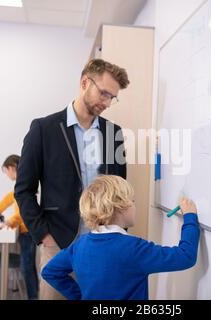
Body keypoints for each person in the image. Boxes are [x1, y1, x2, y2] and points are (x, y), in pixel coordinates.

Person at [14, 59, 130, 300]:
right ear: (85, 82)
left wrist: (119, 233)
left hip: (103, 242)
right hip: (58, 243)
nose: (107, 103)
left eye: (112, 97)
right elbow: (24, 190)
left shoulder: (113, 133)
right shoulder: (43, 129)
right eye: (104, 94)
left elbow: (121, 191)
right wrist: (43, 235)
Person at [41, 175, 200, 300]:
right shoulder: (134, 249)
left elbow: (50, 271)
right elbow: (185, 256)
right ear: (121, 207)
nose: (135, 206)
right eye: (133, 201)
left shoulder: (79, 246)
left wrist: (80, 297)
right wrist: (190, 217)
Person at [0, 154, 38, 300]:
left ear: (12, 167)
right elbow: (11, 197)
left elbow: (22, 212)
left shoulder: (24, 183)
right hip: (24, 231)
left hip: (28, 231)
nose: (6, 175)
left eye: (6, 171)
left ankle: (33, 297)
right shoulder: (21, 183)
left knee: (27, 268)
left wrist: (10, 222)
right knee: (26, 267)